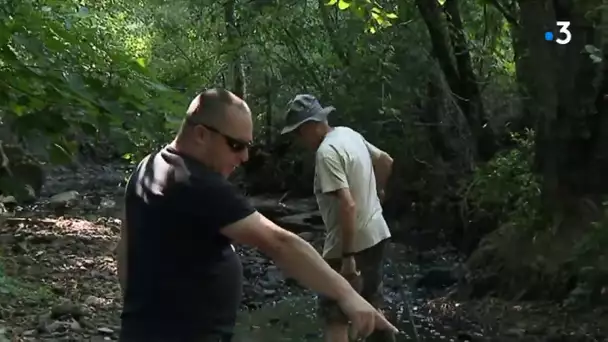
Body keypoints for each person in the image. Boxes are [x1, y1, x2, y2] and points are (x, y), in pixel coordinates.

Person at [114, 88, 398, 342]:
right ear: (201, 134)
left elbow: (124, 253)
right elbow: (279, 243)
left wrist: (142, 315)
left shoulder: (148, 167)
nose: (245, 157)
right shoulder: (195, 182)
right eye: (236, 145)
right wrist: (347, 294)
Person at [280, 94, 396, 342]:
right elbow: (385, 161)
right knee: (372, 306)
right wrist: (378, 194)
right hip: (377, 234)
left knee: (335, 316)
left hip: (347, 245)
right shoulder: (349, 134)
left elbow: (347, 203)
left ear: (311, 125)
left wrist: (347, 258)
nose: (299, 140)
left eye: (298, 133)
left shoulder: (326, 153)